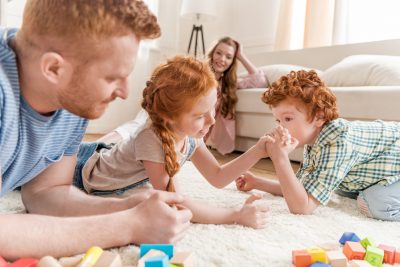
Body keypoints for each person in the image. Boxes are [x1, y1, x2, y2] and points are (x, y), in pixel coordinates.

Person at [0, 0, 192, 260]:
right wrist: (127, 226)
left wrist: (123, 207)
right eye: (112, 78)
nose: (125, 93)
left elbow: (46, 193)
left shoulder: (69, 98)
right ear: (54, 68)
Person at [74, 56, 270, 228]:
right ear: (169, 118)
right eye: (201, 115)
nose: (212, 120)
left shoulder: (191, 137)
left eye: (212, 108)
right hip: (84, 169)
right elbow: (176, 202)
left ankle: (121, 134)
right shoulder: (151, 139)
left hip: (115, 157)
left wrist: (258, 150)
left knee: (123, 140)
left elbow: (217, 177)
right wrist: (235, 216)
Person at [236, 70, 400, 221]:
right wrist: (258, 183)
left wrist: (281, 158)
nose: (280, 127)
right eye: (278, 120)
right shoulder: (316, 141)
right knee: (340, 188)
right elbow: (300, 189)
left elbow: (302, 207)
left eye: (288, 119)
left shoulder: (336, 143)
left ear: (319, 117)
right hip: (383, 168)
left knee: (374, 203)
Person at [99, 37, 267, 150]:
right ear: (212, 53)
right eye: (219, 53)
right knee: (138, 127)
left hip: (186, 131)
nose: (222, 59)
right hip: (167, 110)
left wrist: (241, 55)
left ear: (233, 61)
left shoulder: (228, 85)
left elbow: (259, 80)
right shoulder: (196, 73)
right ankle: (97, 146)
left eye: (229, 56)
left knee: (144, 140)